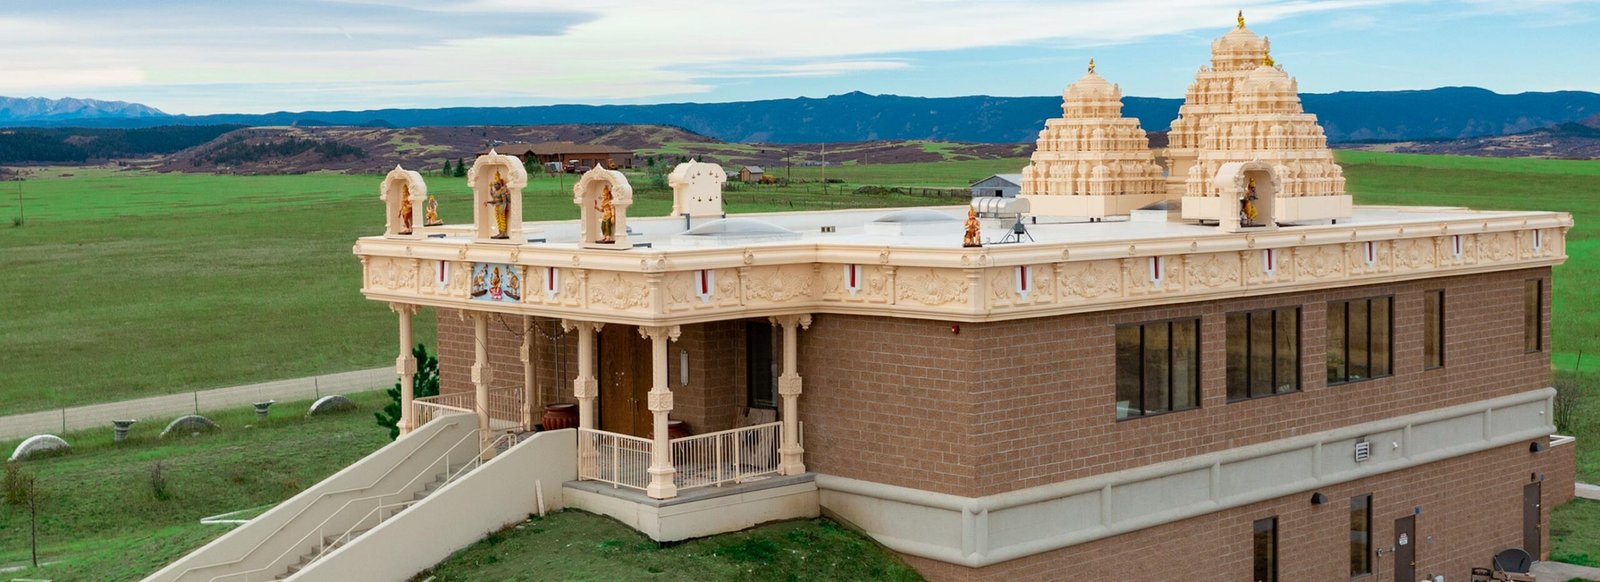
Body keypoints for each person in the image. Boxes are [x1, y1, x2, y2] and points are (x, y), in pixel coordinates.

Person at [485, 171, 511, 239]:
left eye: (497, 184)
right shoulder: (495, 192)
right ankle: (500, 232)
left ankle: (503, 233)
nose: (495, 185)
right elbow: (494, 201)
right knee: (498, 219)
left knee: (502, 219)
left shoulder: (502, 191)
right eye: (494, 184)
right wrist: (487, 202)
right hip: (497, 206)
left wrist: (503, 207)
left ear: (500, 185)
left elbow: (504, 201)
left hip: (501, 206)